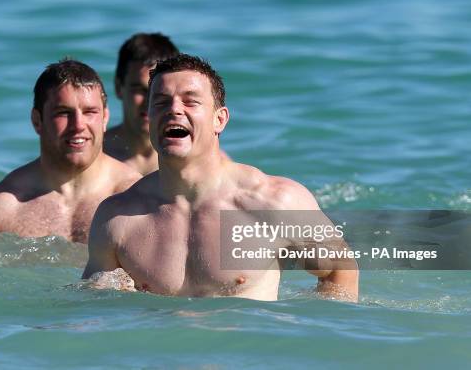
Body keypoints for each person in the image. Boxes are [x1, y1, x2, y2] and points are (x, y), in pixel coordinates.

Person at [83, 54, 359, 301]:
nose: (174, 110)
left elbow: (340, 271)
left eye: (190, 101)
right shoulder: (117, 218)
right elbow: (96, 307)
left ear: (220, 120)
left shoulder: (275, 202)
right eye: (161, 102)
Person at [0, 59, 141, 243]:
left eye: (90, 112)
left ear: (105, 118)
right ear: (37, 121)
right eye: (63, 113)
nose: (78, 125)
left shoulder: (140, 200)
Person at [104, 33, 179, 175]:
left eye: (158, 91)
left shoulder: (193, 156)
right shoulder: (94, 155)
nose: (149, 101)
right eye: (139, 89)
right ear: (119, 87)